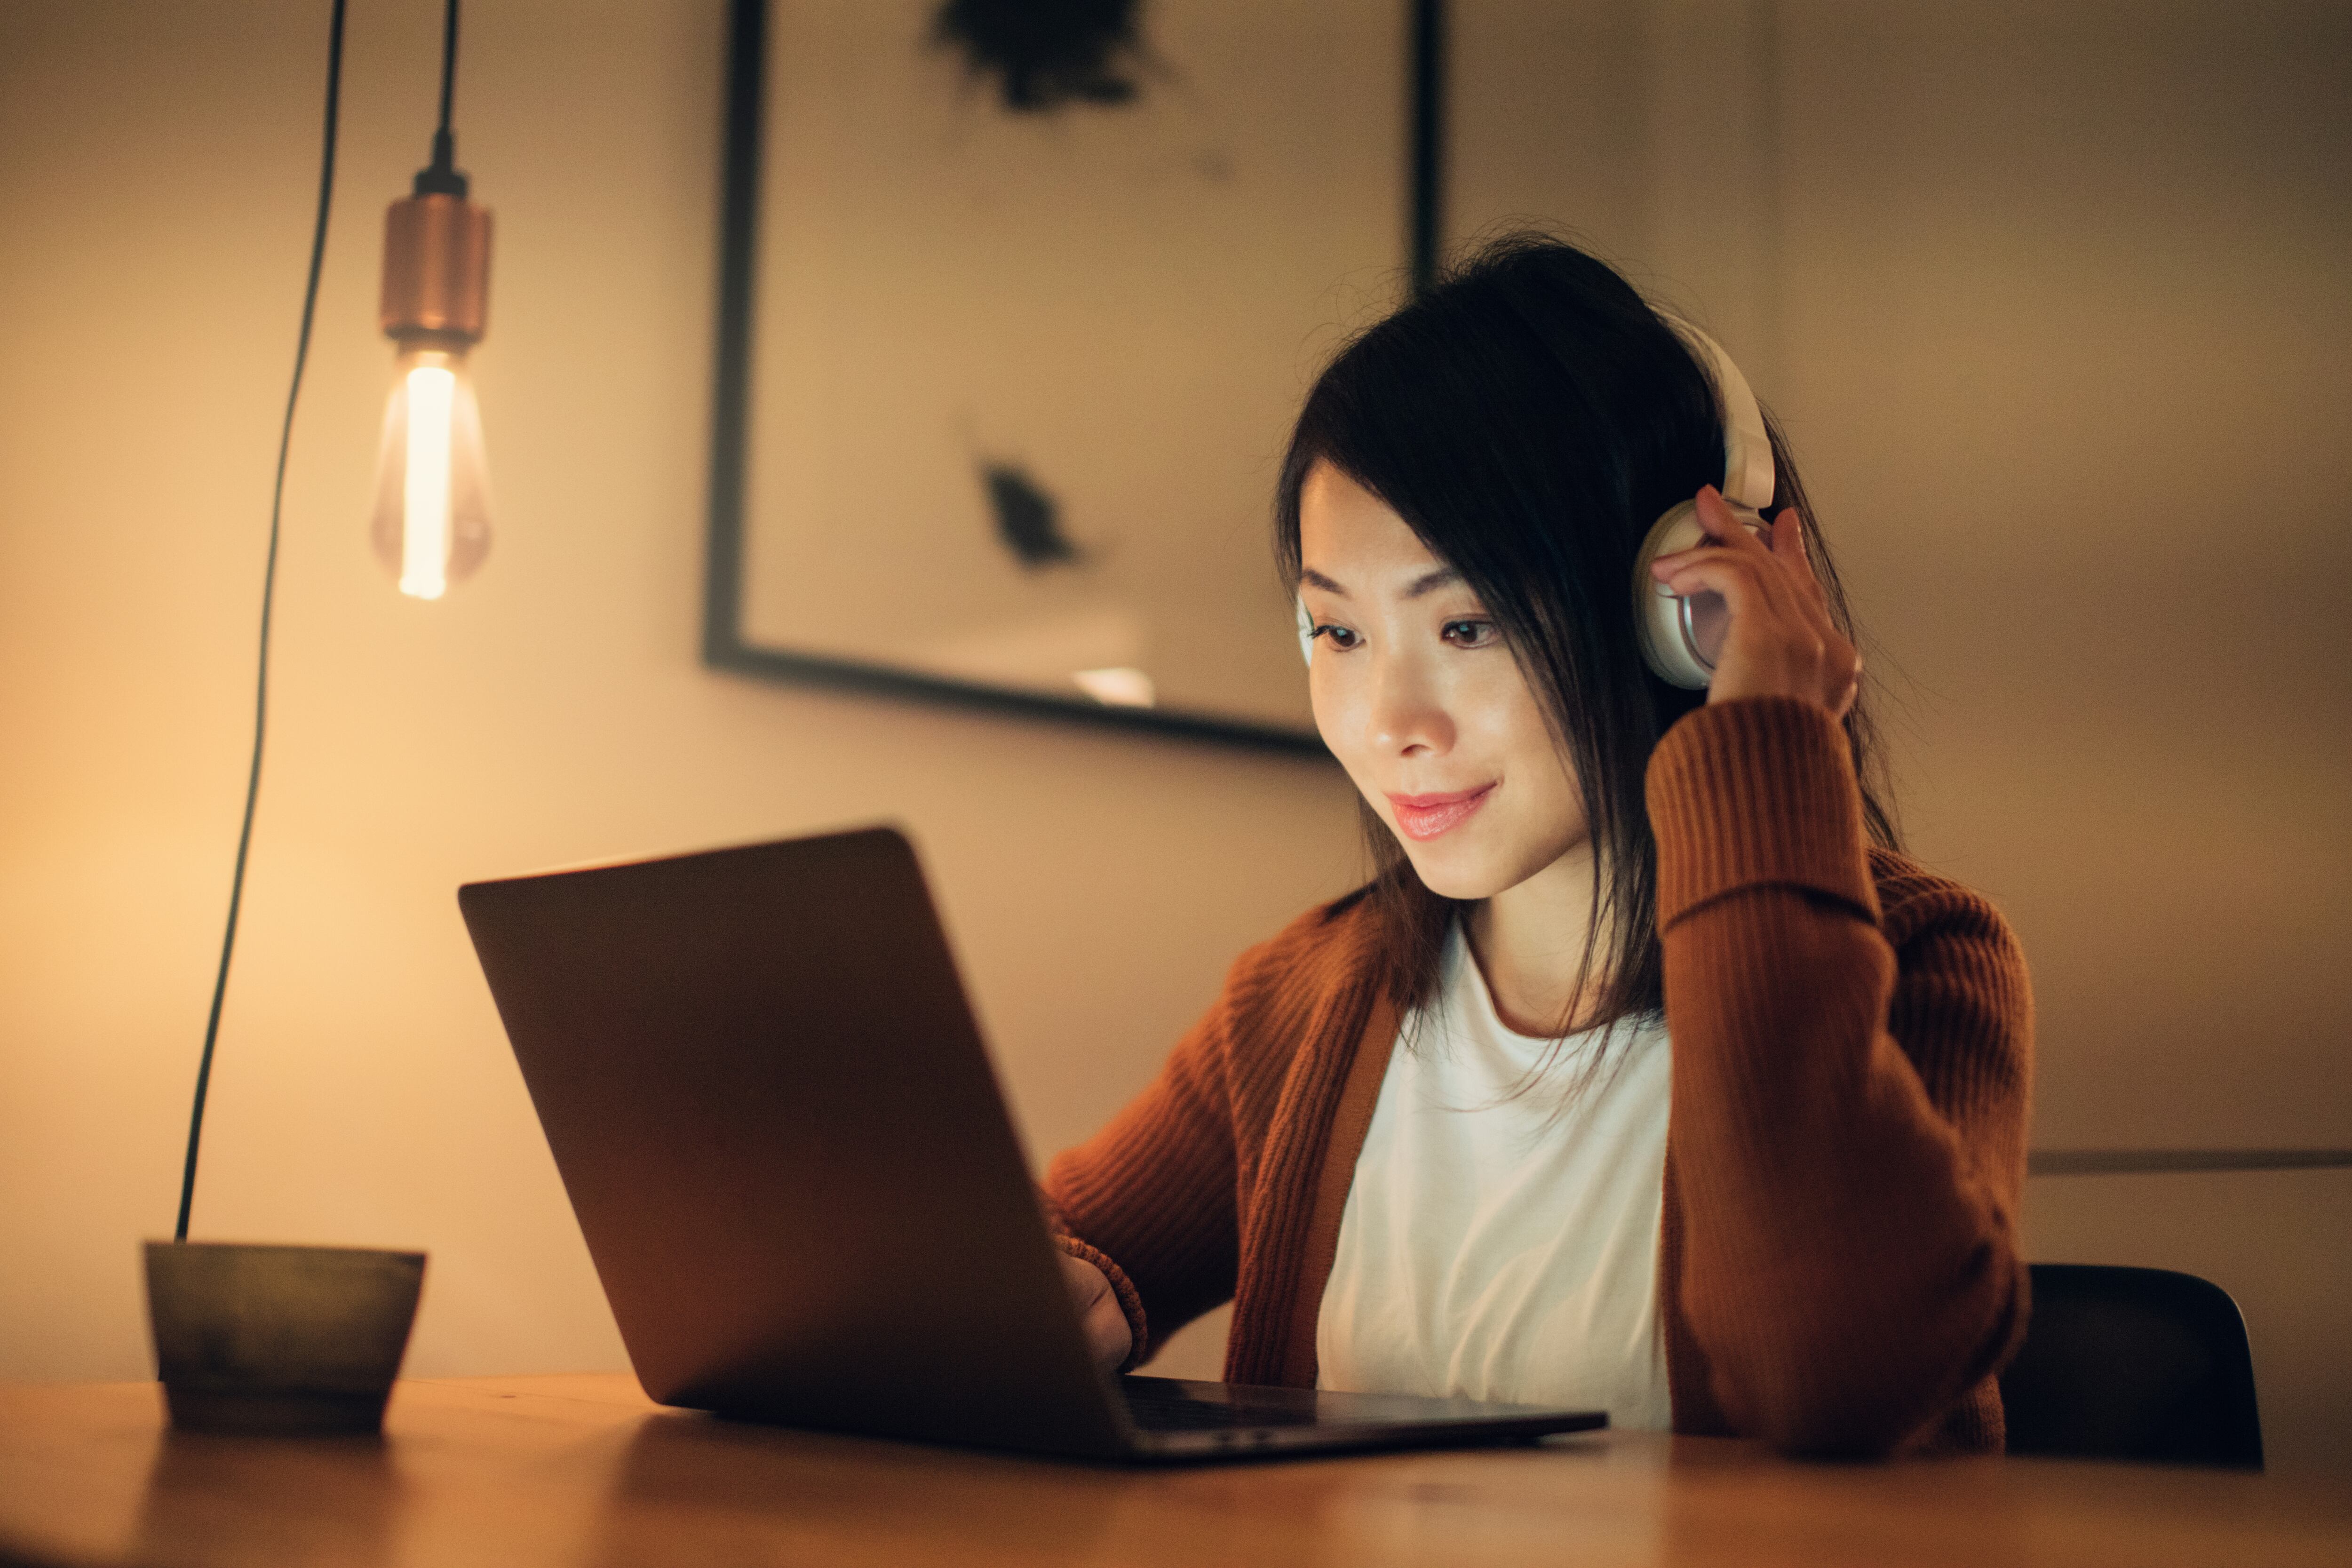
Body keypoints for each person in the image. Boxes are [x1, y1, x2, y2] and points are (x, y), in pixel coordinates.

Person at [1045, 235, 2033, 1458]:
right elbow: (1061, 1252)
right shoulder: (1304, 1003)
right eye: (1336, 631)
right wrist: (1060, 1290)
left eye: (1467, 622)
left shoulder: (1931, 960)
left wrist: (1770, 736)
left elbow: (1826, 1376)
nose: (1392, 724)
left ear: (1678, 608)